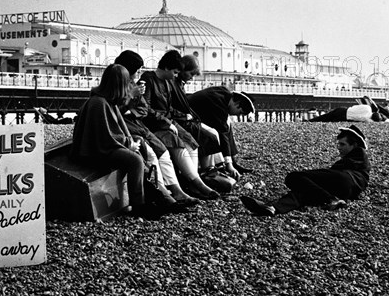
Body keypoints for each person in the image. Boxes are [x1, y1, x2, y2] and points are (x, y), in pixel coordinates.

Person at [70, 64, 166, 219]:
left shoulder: (105, 101)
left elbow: (111, 133)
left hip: (102, 146)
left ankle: (150, 194)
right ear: (120, 84)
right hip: (94, 152)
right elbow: (105, 137)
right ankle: (138, 205)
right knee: (134, 160)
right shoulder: (98, 103)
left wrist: (131, 142)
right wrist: (129, 144)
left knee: (139, 141)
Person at [114, 50, 199, 207]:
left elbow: (143, 109)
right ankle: (165, 193)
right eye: (137, 69)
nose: (139, 73)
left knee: (163, 152)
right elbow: (112, 110)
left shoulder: (133, 83)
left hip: (137, 125)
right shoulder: (120, 83)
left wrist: (131, 107)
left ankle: (175, 191)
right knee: (152, 154)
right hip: (128, 127)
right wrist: (130, 99)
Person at [140, 50, 220, 200]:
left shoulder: (168, 82)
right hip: (155, 125)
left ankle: (195, 182)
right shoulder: (149, 79)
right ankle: (197, 184)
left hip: (168, 121)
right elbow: (145, 108)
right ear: (166, 68)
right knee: (177, 144)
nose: (176, 75)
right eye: (175, 72)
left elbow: (168, 108)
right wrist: (165, 122)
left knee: (191, 142)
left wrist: (182, 116)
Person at [240, 125, 370, 217]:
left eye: (342, 144)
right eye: (338, 144)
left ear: (355, 145)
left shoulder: (359, 154)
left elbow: (337, 171)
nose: (338, 148)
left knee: (294, 177)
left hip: (344, 180)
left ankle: (330, 199)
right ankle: (274, 208)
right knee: (304, 193)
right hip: (347, 190)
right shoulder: (360, 159)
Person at [187, 86, 256, 180]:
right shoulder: (218, 104)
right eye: (239, 112)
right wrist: (229, 165)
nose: (237, 115)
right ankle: (220, 167)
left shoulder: (224, 94)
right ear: (237, 104)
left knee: (227, 124)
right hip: (188, 117)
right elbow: (222, 134)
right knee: (217, 132)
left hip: (199, 115)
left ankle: (233, 162)